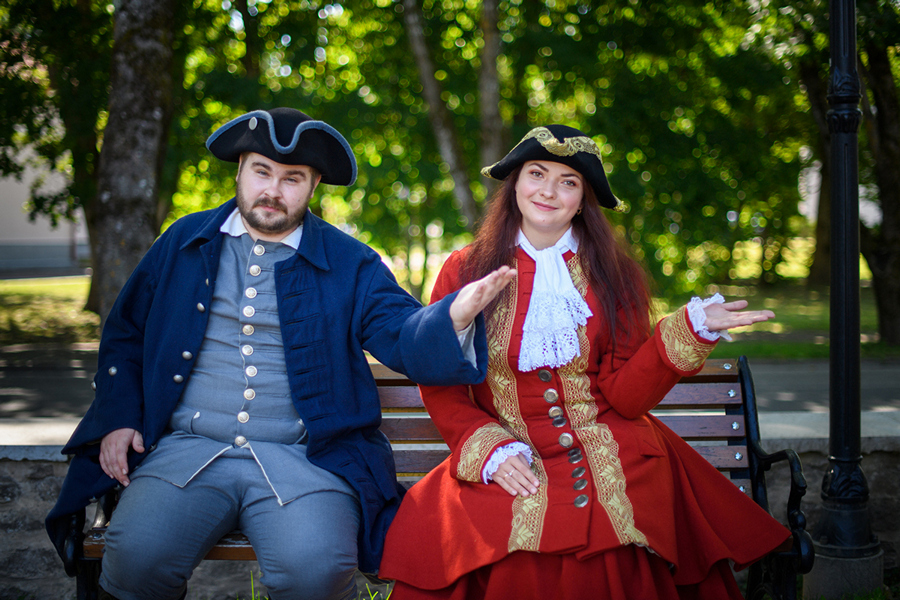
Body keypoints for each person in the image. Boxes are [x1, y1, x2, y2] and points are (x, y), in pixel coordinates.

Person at [45, 107, 515, 600]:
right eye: (262, 171)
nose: (273, 190)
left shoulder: (350, 262)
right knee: (136, 559)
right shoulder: (185, 241)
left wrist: (452, 316)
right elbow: (126, 333)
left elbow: (400, 332)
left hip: (306, 459)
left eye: (292, 179)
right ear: (240, 171)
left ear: (314, 186)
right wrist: (120, 417)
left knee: (316, 573)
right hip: (185, 451)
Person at [379, 125, 792, 599]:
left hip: (609, 440)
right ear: (515, 184)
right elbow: (440, 381)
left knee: (616, 537)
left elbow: (627, 398)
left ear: (582, 200)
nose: (548, 191)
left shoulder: (615, 274)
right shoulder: (465, 269)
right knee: (509, 540)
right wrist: (488, 448)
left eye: (568, 182)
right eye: (537, 174)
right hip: (507, 448)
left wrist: (688, 331)